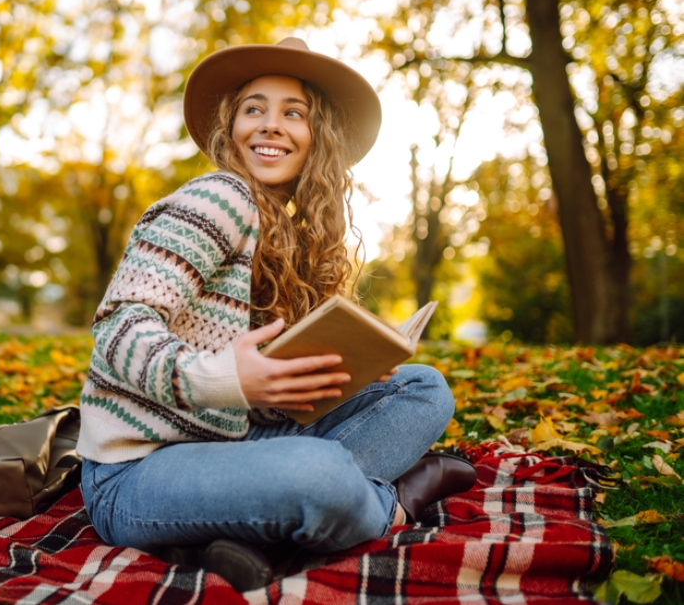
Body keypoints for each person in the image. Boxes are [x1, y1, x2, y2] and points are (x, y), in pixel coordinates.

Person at [75, 38, 477, 591]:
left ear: (319, 138)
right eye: (253, 108)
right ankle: (395, 501)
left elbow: (250, 408)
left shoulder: (287, 231)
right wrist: (231, 378)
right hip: (138, 473)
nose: (270, 125)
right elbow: (117, 331)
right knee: (321, 475)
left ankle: (240, 533)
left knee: (422, 389)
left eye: (294, 113)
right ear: (230, 127)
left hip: (231, 448)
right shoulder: (217, 198)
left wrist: (338, 371)